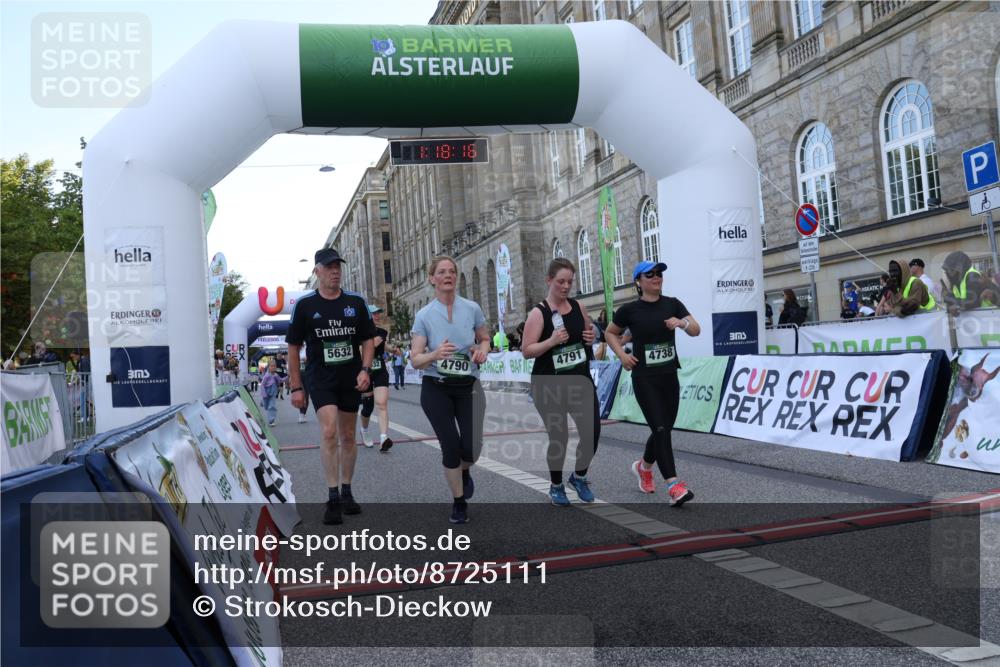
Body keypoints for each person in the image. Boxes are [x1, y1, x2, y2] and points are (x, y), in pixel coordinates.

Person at [287, 248, 375, 526]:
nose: (335, 270)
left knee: (348, 435)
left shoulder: (355, 303)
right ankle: (332, 495)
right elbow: (293, 348)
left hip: (350, 376)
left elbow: (368, 340)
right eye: (329, 266)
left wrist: (365, 369)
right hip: (321, 378)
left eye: (338, 266)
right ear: (317, 272)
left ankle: (347, 490)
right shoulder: (305, 306)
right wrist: (296, 387)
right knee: (328, 431)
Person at [605, 260, 700, 506]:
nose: (656, 277)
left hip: (669, 375)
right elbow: (609, 333)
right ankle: (674, 486)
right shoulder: (629, 310)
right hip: (644, 378)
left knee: (664, 429)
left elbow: (696, 329)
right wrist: (622, 356)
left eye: (659, 274)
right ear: (639, 281)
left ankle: (644, 467)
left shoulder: (673, 304)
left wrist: (682, 323)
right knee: (659, 429)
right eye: (650, 274)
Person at [410, 256, 491, 524]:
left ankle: (463, 470)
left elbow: (485, 338)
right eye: (442, 272)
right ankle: (458, 503)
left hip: (468, 385)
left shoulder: (472, 308)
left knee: (471, 447)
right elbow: (415, 359)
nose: (449, 275)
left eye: (452, 271)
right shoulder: (424, 316)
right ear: (432, 278)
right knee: (450, 446)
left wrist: (482, 351)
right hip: (437, 388)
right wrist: (435, 354)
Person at [521, 258, 599, 506]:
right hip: (549, 385)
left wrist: (590, 337)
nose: (565, 286)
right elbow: (527, 350)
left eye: (569, 282)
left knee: (592, 432)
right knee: (560, 436)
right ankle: (556, 485)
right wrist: (552, 341)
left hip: (580, 381)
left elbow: (588, 337)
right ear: (549, 280)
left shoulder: (578, 307)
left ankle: (579, 476)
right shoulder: (539, 313)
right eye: (560, 281)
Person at [358, 305, 394, 452]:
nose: (377, 316)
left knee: (382, 403)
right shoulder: (359, 332)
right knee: (368, 406)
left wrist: (394, 349)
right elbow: (359, 352)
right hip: (365, 371)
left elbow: (383, 346)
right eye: (374, 314)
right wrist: (372, 344)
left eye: (379, 313)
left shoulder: (382, 332)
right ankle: (364, 431)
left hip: (379, 369)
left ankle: (383, 437)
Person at [260, 361, 281, 426]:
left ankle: (271, 421)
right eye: (271, 366)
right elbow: (262, 385)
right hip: (266, 393)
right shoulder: (266, 376)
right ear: (268, 367)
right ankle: (262, 402)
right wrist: (264, 394)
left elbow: (280, 380)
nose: (273, 367)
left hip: (273, 393)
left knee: (272, 406)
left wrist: (287, 377)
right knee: (266, 406)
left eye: (274, 366)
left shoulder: (276, 375)